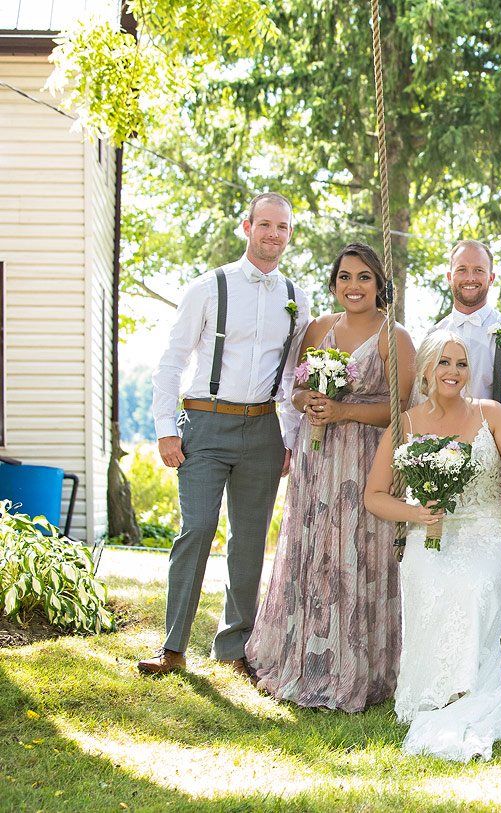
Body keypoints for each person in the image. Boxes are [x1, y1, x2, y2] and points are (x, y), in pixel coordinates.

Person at [140, 192, 311, 678]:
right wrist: (164, 430)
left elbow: (291, 377)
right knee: (195, 529)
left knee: (250, 539)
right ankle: (172, 647)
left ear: (289, 234)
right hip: (204, 422)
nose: (273, 234)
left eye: (282, 227)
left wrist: (289, 440)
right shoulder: (208, 287)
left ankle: (233, 647)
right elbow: (171, 362)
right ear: (247, 226)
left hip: (262, 429)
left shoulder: (295, 298)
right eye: (265, 225)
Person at [244, 243, 416, 711]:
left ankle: (360, 666)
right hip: (316, 460)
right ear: (334, 282)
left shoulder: (394, 335)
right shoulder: (318, 328)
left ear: (380, 284)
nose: (353, 286)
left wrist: (345, 409)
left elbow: (402, 411)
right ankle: (304, 655)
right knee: (315, 549)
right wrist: (312, 404)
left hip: (366, 460)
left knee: (357, 555)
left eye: (363, 277)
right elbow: (294, 390)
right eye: (344, 276)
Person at [365, 331, 501, 761]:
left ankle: (465, 690)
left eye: (461, 364)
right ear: (426, 367)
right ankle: (436, 688)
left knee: (472, 583)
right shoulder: (405, 422)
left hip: (487, 531)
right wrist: (417, 514)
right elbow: (375, 495)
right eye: (444, 362)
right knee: (430, 575)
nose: (453, 371)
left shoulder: (491, 413)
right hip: (427, 531)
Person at [428, 239, 501, 657]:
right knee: (445, 566)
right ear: (449, 275)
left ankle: (492, 663)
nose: (470, 278)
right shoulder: (434, 334)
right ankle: (446, 661)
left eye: (479, 271)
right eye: (462, 270)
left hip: (497, 472)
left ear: (492, 277)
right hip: (442, 467)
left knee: (495, 568)